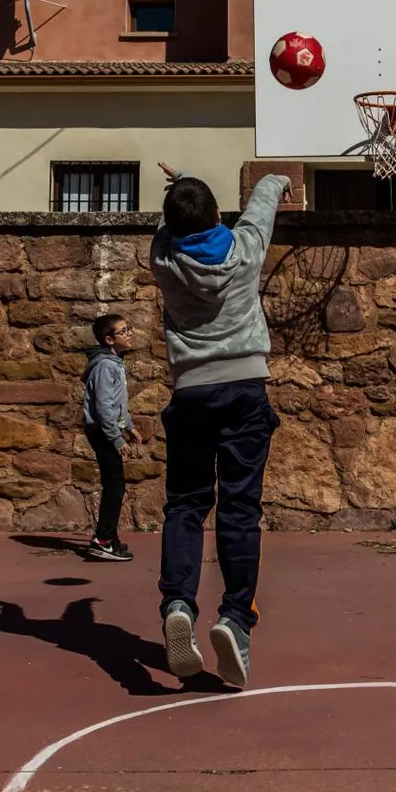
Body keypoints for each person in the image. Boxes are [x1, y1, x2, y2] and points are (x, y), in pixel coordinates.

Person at [149, 162, 290, 689]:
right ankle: (235, 619)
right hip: (244, 387)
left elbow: (174, 222)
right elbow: (263, 200)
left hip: (190, 391)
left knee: (186, 503)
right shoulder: (246, 249)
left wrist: (181, 184)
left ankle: (179, 602)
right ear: (216, 215)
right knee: (239, 507)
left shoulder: (163, 257)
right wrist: (277, 180)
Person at [81, 313, 139, 562]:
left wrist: (128, 426)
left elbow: (118, 404)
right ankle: (103, 540)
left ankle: (108, 538)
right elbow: (104, 406)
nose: (129, 334)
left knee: (116, 485)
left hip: (109, 430)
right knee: (114, 485)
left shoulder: (115, 362)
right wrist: (116, 438)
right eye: (123, 331)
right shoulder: (105, 366)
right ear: (109, 339)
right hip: (102, 431)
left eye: (129, 329)